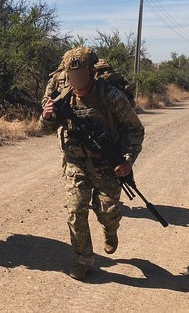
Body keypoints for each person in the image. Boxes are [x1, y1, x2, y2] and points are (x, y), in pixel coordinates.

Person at [39, 47, 145, 280]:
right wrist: (47, 116)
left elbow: (135, 129)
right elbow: (45, 129)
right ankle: (84, 259)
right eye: (71, 75)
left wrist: (128, 160)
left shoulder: (111, 96)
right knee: (76, 211)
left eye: (80, 75)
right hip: (76, 162)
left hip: (108, 165)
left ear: (91, 71)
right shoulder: (61, 95)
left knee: (107, 213)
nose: (75, 80)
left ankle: (110, 229)